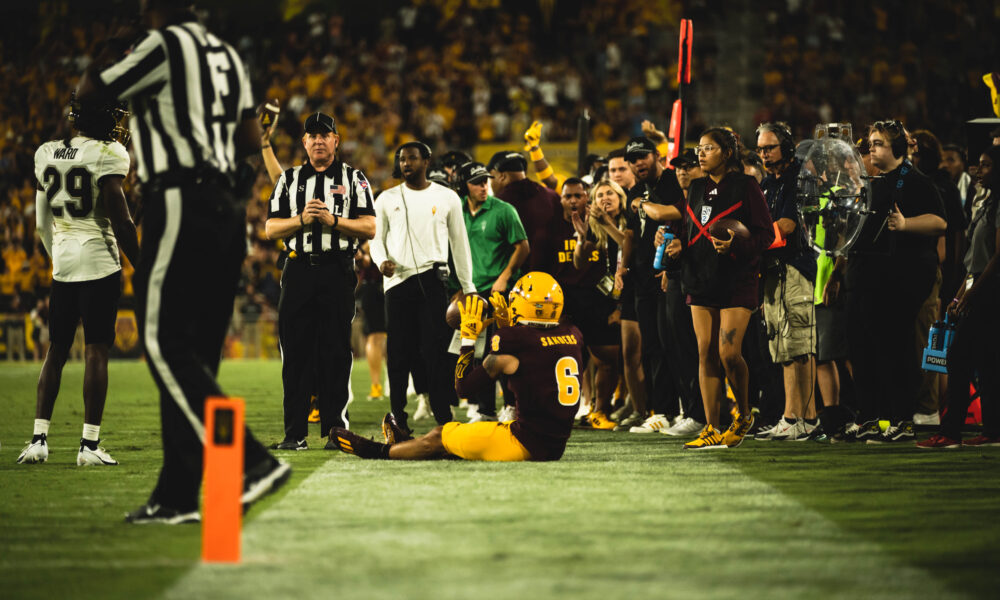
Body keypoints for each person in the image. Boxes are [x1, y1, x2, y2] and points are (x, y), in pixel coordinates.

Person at [78, 0, 290, 524]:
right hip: (227, 212)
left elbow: (91, 94)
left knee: (160, 341)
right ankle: (177, 497)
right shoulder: (228, 56)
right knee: (196, 359)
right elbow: (247, 139)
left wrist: (112, 42)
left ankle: (250, 460)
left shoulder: (163, 43)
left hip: (179, 198)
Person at [331, 272, 584, 461]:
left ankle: (377, 451)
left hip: (525, 442)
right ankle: (405, 444)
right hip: (552, 441)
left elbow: (463, 388)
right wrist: (509, 328)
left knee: (441, 436)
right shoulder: (573, 334)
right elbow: (537, 358)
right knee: (452, 439)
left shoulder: (512, 342)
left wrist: (468, 339)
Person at [16, 95, 139, 467]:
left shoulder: (46, 152)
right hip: (100, 262)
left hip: (63, 263)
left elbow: (40, 223)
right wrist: (144, 267)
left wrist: (60, 258)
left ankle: (39, 439)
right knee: (96, 350)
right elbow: (122, 221)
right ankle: (89, 445)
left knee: (56, 350)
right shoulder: (109, 154)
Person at [264, 111, 376, 450]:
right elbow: (271, 228)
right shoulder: (290, 179)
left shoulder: (354, 178)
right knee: (295, 352)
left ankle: (334, 431)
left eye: (324, 135)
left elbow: (370, 226)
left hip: (337, 269)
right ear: (304, 142)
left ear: (335, 141)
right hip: (297, 270)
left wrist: (333, 219)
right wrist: (301, 219)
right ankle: (294, 433)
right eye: (311, 135)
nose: (317, 140)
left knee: (335, 351)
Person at [830, 120, 946, 443]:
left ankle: (902, 420)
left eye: (878, 143)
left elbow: (940, 222)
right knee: (862, 348)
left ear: (896, 149)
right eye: (870, 143)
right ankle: (870, 418)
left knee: (894, 349)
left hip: (899, 280)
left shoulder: (916, 181)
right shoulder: (874, 183)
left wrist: (906, 224)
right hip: (867, 280)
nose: (871, 148)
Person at [666, 127, 775, 449]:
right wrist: (678, 248)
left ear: (727, 153)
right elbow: (691, 233)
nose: (700, 153)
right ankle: (711, 426)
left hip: (737, 280)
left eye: (708, 148)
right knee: (706, 354)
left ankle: (743, 413)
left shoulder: (747, 185)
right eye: (699, 148)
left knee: (729, 353)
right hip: (699, 279)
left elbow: (765, 235)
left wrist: (735, 249)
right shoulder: (696, 187)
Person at [370, 141, 476, 433]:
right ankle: (397, 417)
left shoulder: (447, 197)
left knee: (437, 350)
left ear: (426, 161)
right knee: (400, 351)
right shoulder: (386, 198)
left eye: (412, 159)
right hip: (397, 281)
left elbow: (460, 244)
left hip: (433, 279)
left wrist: (468, 286)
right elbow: (375, 239)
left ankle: (443, 413)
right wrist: (381, 262)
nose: (406, 164)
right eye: (402, 159)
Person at [918, 145, 1000, 448]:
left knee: (960, 357)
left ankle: (951, 431)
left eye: (987, 165)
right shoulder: (988, 202)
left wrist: (971, 294)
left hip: (989, 290)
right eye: (979, 165)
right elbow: (976, 259)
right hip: (979, 285)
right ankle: (993, 430)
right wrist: (960, 293)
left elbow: (996, 257)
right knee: (988, 362)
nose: (978, 171)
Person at [752, 122, 818, 442]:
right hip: (775, 268)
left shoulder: (800, 178)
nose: (764, 154)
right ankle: (797, 418)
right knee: (782, 346)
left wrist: (747, 241)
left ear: (787, 147)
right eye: (761, 149)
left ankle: (801, 418)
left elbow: (788, 225)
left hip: (795, 266)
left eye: (770, 147)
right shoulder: (767, 183)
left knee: (798, 345)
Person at [455, 161, 529, 421]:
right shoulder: (457, 212)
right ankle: (485, 410)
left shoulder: (503, 210)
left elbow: (523, 246)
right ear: (463, 186)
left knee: (502, 350)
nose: (483, 186)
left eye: (485, 181)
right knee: (476, 353)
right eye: (476, 182)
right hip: (473, 292)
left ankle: (510, 405)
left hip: (501, 293)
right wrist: (458, 287)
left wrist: (505, 276)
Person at [552, 178, 621, 429]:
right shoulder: (550, 228)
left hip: (598, 299)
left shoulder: (603, 224)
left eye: (578, 196)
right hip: (565, 301)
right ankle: (563, 410)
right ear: (560, 199)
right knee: (563, 358)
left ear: (587, 199)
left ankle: (601, 411)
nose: (573, 200)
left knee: (607, 358)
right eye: (568, 196)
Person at [487, 150, 562, 275]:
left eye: (491, 178)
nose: (490, 184)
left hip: (512, 282)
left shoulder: (497, 205)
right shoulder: (552, 197)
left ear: (501, 176)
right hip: (552, 281)